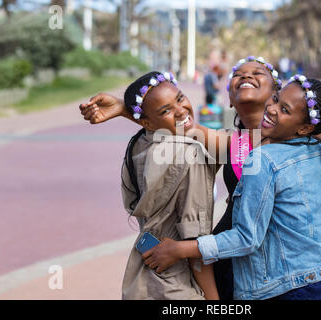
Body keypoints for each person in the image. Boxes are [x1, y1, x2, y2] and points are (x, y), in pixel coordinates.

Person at [80, 56, 321, 300]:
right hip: (246, 273)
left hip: (309, 275)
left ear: (282, 93)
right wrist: (131, 108)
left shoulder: (308, 139)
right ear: (230, 96)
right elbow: (178, 124)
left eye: (257, 73)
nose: (245, 75)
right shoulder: (232, 142)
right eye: (238, 75)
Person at [142, 76, 321, 300]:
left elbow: (246, 238)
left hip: (297, 288)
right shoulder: (317, 147)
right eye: (275, 100)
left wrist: (179, 250)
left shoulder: (263, 158)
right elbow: (178, 124)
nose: (273, 109)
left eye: (285, 109)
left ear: (304, 127)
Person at [81, 71, 219, 300]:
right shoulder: (190, 153)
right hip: (179, 284)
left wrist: (127, 111)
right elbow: (196, 243)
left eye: (180, 98)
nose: (181, 110)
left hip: (143, 278)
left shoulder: (138, 143)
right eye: (166, 110)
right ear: (145, 121)